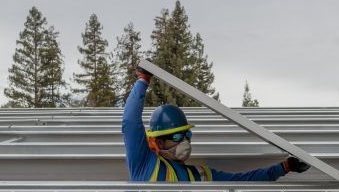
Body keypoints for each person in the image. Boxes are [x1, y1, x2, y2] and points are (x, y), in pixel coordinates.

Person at [122, 64, 311, 182]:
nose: (185, 142)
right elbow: (130, 122)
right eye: (178, 137)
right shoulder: (144, 163)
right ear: (160, 142)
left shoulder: (198, 175)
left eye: (187, 135)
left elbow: (243, 180)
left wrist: (284, 167)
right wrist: (143, 80)